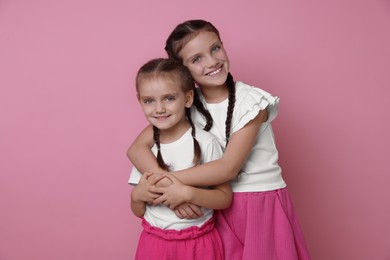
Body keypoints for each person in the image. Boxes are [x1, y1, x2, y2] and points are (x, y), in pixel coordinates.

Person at [128, 20, 311, 259]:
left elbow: (228, 168)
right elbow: (137, 148)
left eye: (215, 48)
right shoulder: (185, 103)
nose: (212, 61)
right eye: (197, 59)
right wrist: (169, 189)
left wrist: (168, 183)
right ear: (183, 72)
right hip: (213, 205)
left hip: (258, 205)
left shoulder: (250, 101)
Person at [129, 57, 231, 260]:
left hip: (199, 245)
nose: (159, 109)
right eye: (149, 100)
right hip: (154, 244)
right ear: (139, 101)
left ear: (187, 98)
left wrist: (187, 194)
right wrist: (136, 197)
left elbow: (225, 198)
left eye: (169, 98)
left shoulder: (206, 143)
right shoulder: (149, 151)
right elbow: (139, 211)